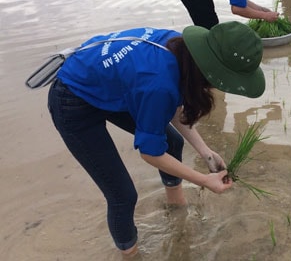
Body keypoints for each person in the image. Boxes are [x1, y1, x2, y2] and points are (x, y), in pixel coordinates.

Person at [47, 21, 265, 257]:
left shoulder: (182, 49)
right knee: (122, 196)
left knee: (172, 143)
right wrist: (204, 179)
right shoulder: (158, 83)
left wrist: (206, 152)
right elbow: (150, 151)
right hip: (72, 100)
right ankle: (131, 255)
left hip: (109, 84)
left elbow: (170, 105)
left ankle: (176, 207)